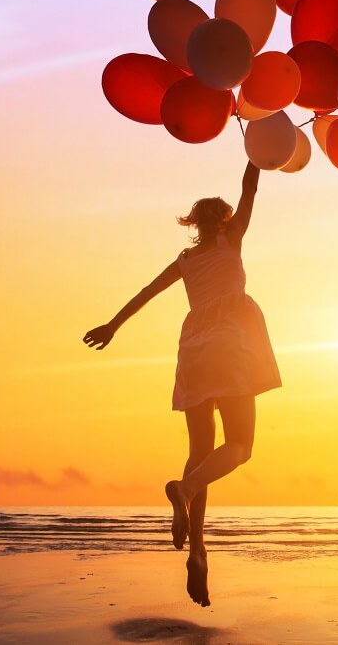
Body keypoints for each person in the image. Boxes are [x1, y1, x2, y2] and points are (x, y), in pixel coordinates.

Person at [82, 161, 281, 607]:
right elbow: (251, 188)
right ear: (224, 220)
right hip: (230, 344)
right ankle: (184, 491)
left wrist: (113, 325)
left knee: (199, 452)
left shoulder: (186, 260)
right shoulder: (232, 241)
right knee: (240, 446)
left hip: (194, 348)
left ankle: (198, 551)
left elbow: (147, 292)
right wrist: (256, 152)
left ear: (196, 223)